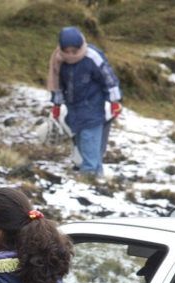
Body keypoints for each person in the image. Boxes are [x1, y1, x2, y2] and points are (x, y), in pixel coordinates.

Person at [47, 26, 123, 177]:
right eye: (66, 51)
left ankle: (88, 177)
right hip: (73, 108)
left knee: (90, 140)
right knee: (81, 141)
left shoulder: (92, 57)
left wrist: (114, 101)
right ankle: (97, 177)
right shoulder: (58, 59)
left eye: (74, 52)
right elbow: (57, 84)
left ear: (80, 47)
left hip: (94, 106)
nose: (70, 55)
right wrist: (57, 105)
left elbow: (109, 78)